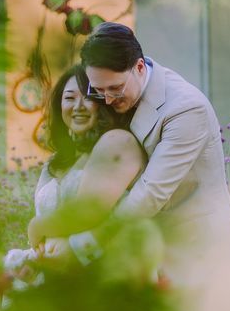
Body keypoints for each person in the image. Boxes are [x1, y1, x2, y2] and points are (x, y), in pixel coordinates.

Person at [77, 22, 230, 280]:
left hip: (199, 252)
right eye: (98, 91)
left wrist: (87, 242)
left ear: (139, 67)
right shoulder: (116, 94)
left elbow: (151, 192)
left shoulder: (185, 108)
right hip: (152, 250)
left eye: (115, 88)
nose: (106, 100)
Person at [16, 65, 146, 268]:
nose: (78, 106)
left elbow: (90, 210)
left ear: (105, 102)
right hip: (57, 273)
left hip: (106, 269)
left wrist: (36, 227)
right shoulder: (56, 161)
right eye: (69, 98)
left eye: (89, 97)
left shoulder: (119, 142)